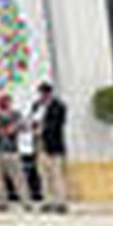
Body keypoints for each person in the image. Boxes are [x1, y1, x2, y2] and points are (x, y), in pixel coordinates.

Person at [30, 81, 69, 212]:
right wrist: (33, 128)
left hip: (53, 145)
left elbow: (58, 124)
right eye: (41, 93)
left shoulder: (59, 106)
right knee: (43, 174)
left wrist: (43, 128)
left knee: (56, 174)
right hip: (40, 144)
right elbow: (33, 120)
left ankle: (60, 202)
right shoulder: (36, 106)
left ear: (49, 93)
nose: (42, 96)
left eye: (44, 93)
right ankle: (47, 201)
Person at [0, 92, 30, 211]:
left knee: (18, 177)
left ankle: (25, 200)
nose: (3, 103)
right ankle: (1, 202)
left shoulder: (16, 115)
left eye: (5, 100)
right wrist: (5, 129)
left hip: (12, 150)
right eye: (1, 101)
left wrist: (16, 127)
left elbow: (24, 128)